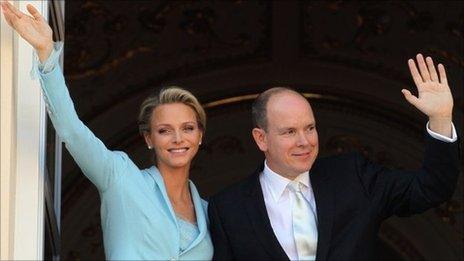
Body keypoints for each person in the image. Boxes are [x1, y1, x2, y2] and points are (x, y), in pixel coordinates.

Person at [1, 1, 212, 260]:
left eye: (188, 128)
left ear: (200, 135)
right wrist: (47, 54)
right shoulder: (120, 177)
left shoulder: (211, 213)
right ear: (148, 138)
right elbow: (72, 131)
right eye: (165, 130)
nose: (178, 138)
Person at [207, 58, 460, 258]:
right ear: (261, 138)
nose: (305, 141)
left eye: (310, 128)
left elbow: (431, 188)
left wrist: (440, 118)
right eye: (290, 132)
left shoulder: (353, 176)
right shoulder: (229, 209)